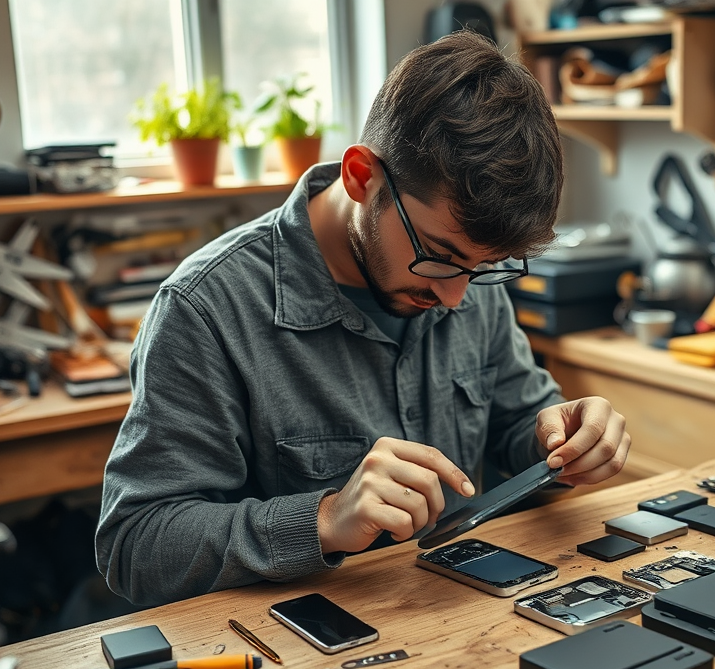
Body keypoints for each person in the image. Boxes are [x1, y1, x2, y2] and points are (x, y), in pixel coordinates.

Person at [97, 30, 631, 606]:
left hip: (465, 623)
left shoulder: (465, 273)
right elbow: (137, 547)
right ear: (360, 176)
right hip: (305, 659)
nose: (455, 296)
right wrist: (324, 519)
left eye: (484, 268)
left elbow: (515, 422)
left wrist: (558, 437)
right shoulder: (205, 309)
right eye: (439, 256)